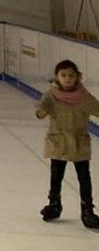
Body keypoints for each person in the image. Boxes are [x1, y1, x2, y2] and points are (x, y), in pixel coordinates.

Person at [36, 60, 99, 228]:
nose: (67, 79)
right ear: (57, 77)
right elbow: (41, 108)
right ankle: (54, 204)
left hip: (79, 142)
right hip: (59, 142)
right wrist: (41, 111)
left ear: (77, 77)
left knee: (84, 177)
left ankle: (88, 210)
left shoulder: (84, 97)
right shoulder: (51, 95)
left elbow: (97, 108)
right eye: (63, 75)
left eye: (71, 75)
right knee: (56, 176)